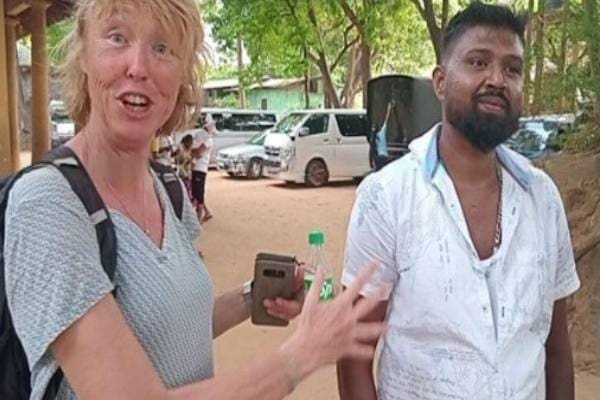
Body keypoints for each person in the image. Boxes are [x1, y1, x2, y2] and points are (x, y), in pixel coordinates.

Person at [3, 1, 384, 399]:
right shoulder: (46, 204)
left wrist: (255, 294)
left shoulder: (166, 188)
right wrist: (300, 356)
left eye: (162, 48)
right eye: (117, 38)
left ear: (183, 76)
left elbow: (174, 326)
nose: (138, 67)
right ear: (83, 52)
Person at [337, 3, 580, 400]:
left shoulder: (543, 198)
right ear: (440, 82)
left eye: (512, 69)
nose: (497, 80)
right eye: (478, 62)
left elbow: (556, 349)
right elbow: (353, 354)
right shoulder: (387, 197)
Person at [191, 116, 214, 223]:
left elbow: (199, 152)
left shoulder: (208, 140)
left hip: (200, 168)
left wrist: (191, 152)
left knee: (198, 193)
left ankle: (199, 216)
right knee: (195, 192)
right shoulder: (204, 137)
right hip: (198, 167)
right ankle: (206, 212)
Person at [175, 133, 194, 198]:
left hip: (187, 172)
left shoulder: (188, 149)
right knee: (184, 189)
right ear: (186, 141)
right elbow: (178, 159)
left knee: (188, 189)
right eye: (190, 143)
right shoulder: (180, 148)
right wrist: (186, 161)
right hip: (182, 172)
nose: (191, 144)